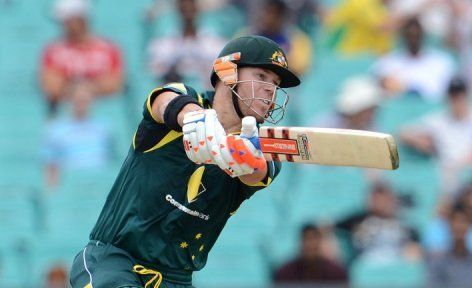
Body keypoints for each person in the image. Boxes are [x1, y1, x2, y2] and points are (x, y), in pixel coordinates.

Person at [69, 35, 301, 288]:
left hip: (177, 279)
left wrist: (242, 155)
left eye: (276, 84)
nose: (271, 90)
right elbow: (164, 101)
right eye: (261, 77)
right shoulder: (185, 100)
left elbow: (258, 172)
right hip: (114, 261)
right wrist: (195, 119)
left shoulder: (264, 147)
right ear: (227, 73)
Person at [400, 77, 472, 195]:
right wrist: (422, 141)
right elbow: (403, 133)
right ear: (448, 98)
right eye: (454, 96)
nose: (458, 100)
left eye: (460, 95)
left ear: (468, 95)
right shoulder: (439, 120)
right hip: (446, 174)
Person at [40, 0, 124, 116]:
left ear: (81, 19)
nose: (64, 25)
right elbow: (51, 85)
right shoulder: (54, 50)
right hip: (65, 113)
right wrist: (78, 90)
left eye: (67, 21)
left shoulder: (108, 49)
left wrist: (86, 89)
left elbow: (115, 83)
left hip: (102, 111)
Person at [147, 0, 226, 89]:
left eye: (191, 4)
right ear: (178, 9)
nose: (187, 9)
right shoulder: (164, 43)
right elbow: (153, 70)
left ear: (198, 7)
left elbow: (224, 69)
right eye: (183, 6)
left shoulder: (214, 42)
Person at [42, 81, 113, 188]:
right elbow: (50, 166)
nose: (81, 104)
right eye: (78, 100)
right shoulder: (55, 130)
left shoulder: (104, 128)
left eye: (85, 100)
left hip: (100, 185)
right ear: (69, 100)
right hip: (70, 186)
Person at [324, 0, 406, 56]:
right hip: (341, 57)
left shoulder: (387, 9)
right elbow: (381, 26)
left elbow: (385, 49)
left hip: (366, 61)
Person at [335, 183, 421, 265]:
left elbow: (415, 245)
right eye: (377, 199)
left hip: (397, 264)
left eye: (386, 200)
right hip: (365, 264)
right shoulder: (357, 220)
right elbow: (330, 228)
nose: (382, 203)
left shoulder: (404, 224)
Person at [372, 16, 456, 101]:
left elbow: (451, 92)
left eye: (416, 35)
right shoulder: (388, 62)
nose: (413, 39)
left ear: (423, 35)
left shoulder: (442, 61)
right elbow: (377, 87)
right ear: (403, 36)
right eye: (410, 35)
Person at [427, 205, 472, 288]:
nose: (458, 226)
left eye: (463, 221)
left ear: (470, 226)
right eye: (454, 221)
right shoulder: (438, 263)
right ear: (448, 225)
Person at [273, 223, 348, 286]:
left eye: (313, 239)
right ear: (300, 242)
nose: (310, 245)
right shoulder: (284, 273)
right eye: (306, 239)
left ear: (319, 242)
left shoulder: (336, 273)